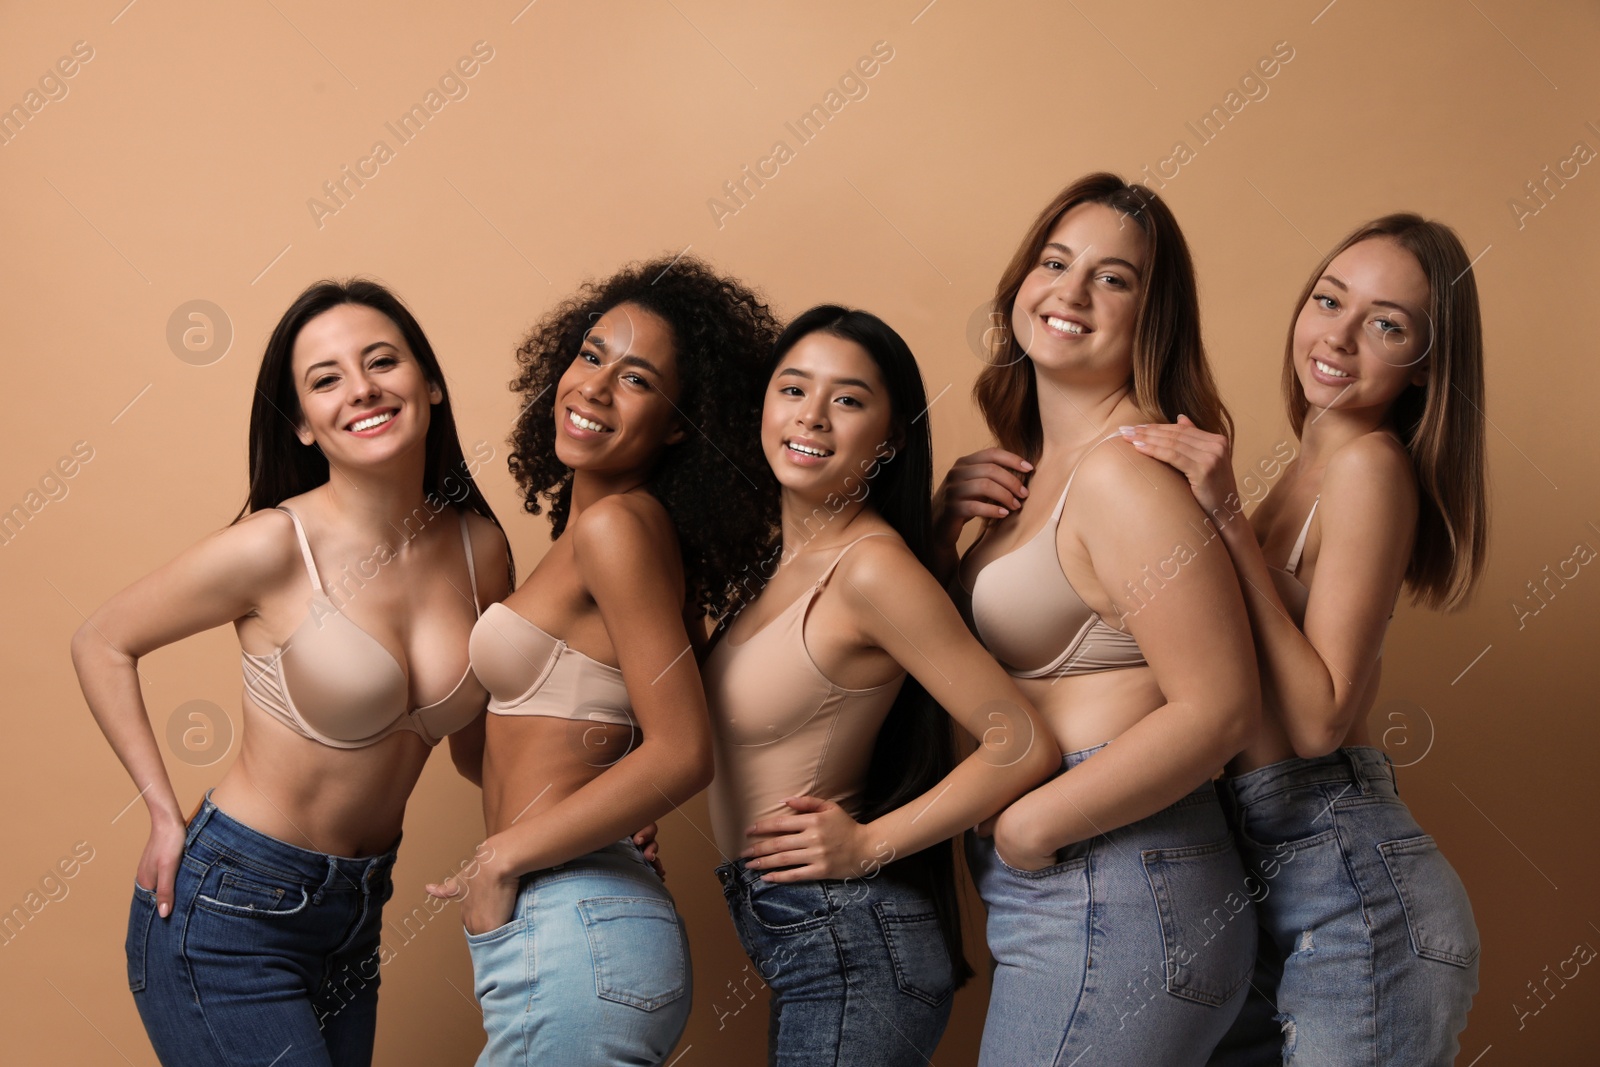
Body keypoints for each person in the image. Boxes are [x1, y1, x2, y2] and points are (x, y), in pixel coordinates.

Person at [73, 279, 510, 1066]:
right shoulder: (275, 547)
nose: (362, 389)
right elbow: (101, 641)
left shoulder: (482, 548)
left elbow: (480, 752)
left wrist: (596, 808)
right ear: (304, 426)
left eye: (382, 361)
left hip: (356, 918)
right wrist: (163, 815)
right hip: (229, 912)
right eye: (326, 379)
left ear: (430, 383)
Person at [1125, 213, 1486, 1065]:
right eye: (1330, 300)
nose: (1340, 336)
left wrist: (1221, 516)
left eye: (1386, 325)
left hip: (1354, 886)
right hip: (1267, 872)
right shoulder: (1301, 468)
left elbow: (1321, 717)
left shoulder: (1370, 465)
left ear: (1426, 362)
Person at [934, 173, 1263, 1065]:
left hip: (1115, 875)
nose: (1071, 292)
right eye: (1055, 261)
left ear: (1153, 317)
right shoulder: (1037, 472)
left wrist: (1026, 827)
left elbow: (1221, 706)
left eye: (1113, 278)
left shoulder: (1124, 475)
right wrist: (941, 531)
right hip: (1086, 888)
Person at [427, 256, 780, 1066]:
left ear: (682, 421)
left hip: (576, 928)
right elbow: (499, 754)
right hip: (561, 924)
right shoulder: (594, 538)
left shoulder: (617, 529)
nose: (593, 386)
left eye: (637, 379)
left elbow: (684, 751)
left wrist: (507, 851)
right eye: (590, 355)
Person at [704, 305, 1059, 1065]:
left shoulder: (871, 567)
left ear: (891, 438)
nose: (813, 416)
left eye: (850, 399)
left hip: (849, 943)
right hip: (811, 940)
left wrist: (866, 843)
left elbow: (1022, 743)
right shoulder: (774, 563)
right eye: (793, 388)